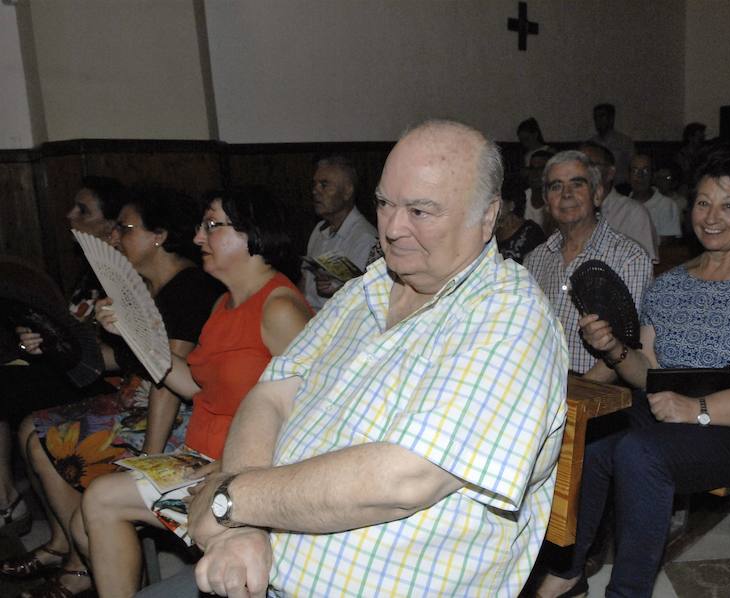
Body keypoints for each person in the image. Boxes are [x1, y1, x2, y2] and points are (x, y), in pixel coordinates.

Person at [139, 120, 568, 597]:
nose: (394, 227)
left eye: (421, 211)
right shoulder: (367, 288)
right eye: (385, 203)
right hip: (258, 560)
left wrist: (230, 499)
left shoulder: (508, 315)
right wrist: (244, 531)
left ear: (486, 217)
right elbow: (270, 397)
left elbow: (405, 478)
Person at [536, 143, 730, 598]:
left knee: (640, 453)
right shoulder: (670, 286)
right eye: (703, 203)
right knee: (594, 437)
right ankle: (568, 569)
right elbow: (648, 374)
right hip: (668, 411)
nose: (712, 216)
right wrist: (615, 350)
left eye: (728, 205)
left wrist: (698, 408)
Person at [79, 188, 313, 597]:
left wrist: (222, 465)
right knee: (98, 498)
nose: (198, 237)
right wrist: (133, 334)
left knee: (102, 498)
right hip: (200, 458)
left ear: (252, 234)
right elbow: (194, 386)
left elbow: (309, 414)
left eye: (211, 225)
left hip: (245, 470)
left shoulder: (279, 308)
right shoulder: (223, 303)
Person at [3, 187, 223, 598]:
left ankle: (80, 554)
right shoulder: (144, 285)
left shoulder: (190, 288)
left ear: (158, 235)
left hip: (173, 416)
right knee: (36, 429)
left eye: (126, 228)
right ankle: (74, 547)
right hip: (134, 396)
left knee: (54, 440)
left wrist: (148, 461)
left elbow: (166, 385)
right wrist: (52, 343)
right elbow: (121, 361)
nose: (115, 237)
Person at [0, 177, 126, 538]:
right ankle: (10, 500)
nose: (70, 215)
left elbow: (109, 353)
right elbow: (67, 329)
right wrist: (34, 342)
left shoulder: (121, 270)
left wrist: (59, 348)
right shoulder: (90, 266)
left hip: (103, 379)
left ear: (111, 224)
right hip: (70, 369)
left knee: (25, 412)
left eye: (83, 210)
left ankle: (21, 509)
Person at [525, 150, 652, 381]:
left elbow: (628, 346)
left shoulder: (629, 258)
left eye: (577, 184)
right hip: (540, 386)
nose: (566, 194)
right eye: (556, 186)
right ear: (546, 201)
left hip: (599, 396)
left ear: (597, 195)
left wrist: (575, 398)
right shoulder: (535, 259)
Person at [303, 155, 376, 310]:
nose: (315, 191)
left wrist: (336, 288)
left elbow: (364, 299)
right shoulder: (319, 230)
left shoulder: (365, 239)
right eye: (314, 184)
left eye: (324, 185)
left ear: (347, 191)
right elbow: (304, 280)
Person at [579, 141, 658, 262]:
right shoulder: (570, 210)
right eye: (579, 165)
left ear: (610, 173)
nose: (583, 171)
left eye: (591, 165)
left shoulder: (632, 212)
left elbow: (645, 265)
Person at [629, 154, 682, 244]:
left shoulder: (667, 205)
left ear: (653, 175)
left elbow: (667, 246)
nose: (640, 175)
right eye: (635, 171)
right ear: (628, 176)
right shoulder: (620, 205)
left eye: (645, 171)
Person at [496, 177, 546, 263]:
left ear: (511, 205)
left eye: (498, 202)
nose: (493, 206)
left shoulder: (531, 233)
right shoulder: (491, 231)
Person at [590, 103, 635, 187]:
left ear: (611, 119)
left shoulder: (624, 142)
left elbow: (633, 165)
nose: (598, 120)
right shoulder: (592, 144)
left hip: (621, 186)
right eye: (596, 117)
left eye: (602, 116)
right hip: (597, 188)